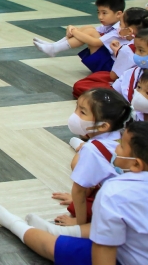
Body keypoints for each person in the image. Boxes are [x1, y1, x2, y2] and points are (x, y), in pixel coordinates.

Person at [0, 120, 148, 265]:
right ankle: (60, 231)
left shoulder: (115, 192)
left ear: (136, 164)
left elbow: (104, 253)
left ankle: (14, 224)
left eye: (121, 145)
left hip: (122, 257)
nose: (115, 146)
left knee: (51, 247)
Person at [54, 89, 132, 225]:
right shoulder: (122, 134)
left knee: (77, 206)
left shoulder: (92, 149)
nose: (75, 115)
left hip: (123, 205)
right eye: (76, 108)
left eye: (82, 112)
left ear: (103, 126)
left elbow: (78, 190)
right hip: (134, 195)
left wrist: (79, 222)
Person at [33, 0, 126, 72]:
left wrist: (74, 31)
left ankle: (54, 48)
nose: (100, 17)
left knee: (90, 32)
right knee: (88, 28)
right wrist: (72, 28)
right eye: (98, 12)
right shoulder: (110, 25)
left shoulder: (120, 31)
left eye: (104, 13)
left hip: (110, 67)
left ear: (118, 14)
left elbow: (95, 42)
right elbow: (88, 31)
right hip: (105, 60)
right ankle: (54, 46)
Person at [72, 10, 148, 99]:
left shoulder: (128, 50)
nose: (136, 53)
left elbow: (113, 76)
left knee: (83, 85)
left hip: (119, 83)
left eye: (120, 24)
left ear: (129, 30)